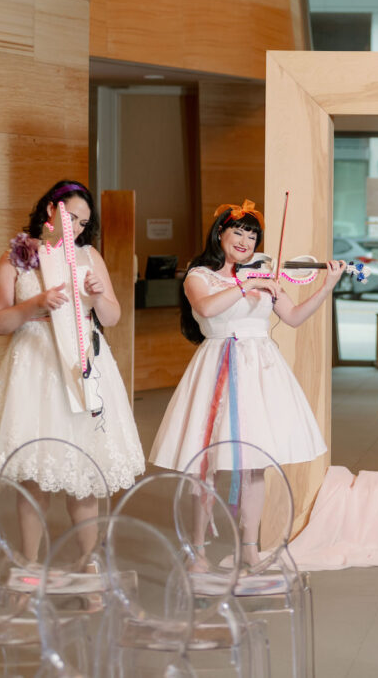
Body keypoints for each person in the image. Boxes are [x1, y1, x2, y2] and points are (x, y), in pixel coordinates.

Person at [149, 200, 345, 566]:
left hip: (261, 372)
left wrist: (326, 285)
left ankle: (250, 550)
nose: (245, 240)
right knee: (206, 461)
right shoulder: (200, 275)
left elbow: (295, 317)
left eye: (252, 235)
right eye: (238, 231)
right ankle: (197, 549)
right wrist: (248, 282)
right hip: (218, 367)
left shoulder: (263, 275)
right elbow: (206, 309)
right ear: (220, 233)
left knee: (255, 464)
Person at [0, 180, 145, 559]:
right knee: (35, 476)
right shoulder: (16, 256)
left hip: (82, 364)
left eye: (85, 222)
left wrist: (99, 295)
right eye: (72, 217)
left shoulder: (88, 256)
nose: (78, 227)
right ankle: (30, 565)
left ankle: (89, 564)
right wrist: (36, 303)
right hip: (35, 367)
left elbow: (112, 317)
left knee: (84, 473)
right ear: (51, 209)